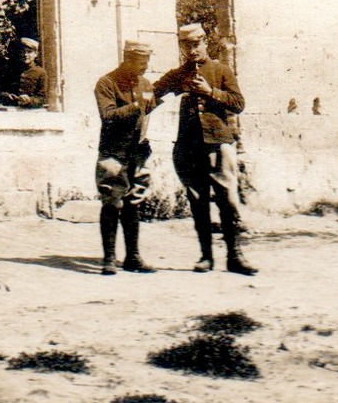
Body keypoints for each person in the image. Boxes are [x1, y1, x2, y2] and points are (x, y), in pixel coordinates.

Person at [153, 22, 257, 275]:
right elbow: (153, 94)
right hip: (189, 147)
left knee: (228, 201)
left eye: (196, 43)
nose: (192, 50)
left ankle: (235, 256)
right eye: (186, 45)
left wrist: (211, 92)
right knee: (198, 201)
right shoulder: (178, 74)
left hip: (218, 144)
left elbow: (238, 103)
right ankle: (206, 256)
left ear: (205, 42)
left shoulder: (221, 70)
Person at [94, 39, 160, 275]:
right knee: (112, 201)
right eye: (141, 63)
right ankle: (109, 259)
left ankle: (133, 257)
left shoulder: (145, 83)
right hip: (113, 152)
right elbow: (108, 115)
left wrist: (151, 102)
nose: (144, 67)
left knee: (134, 202)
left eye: (147, 63)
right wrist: (136, 105)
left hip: (138, 151)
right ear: (127, 58)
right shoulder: (107, 83)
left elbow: (147, 108)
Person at [0, 37, 47, 108]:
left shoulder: (41, 72)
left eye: (29, 52)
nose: (25, 55)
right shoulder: (11, 70)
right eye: (22, 51)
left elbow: (42, 99)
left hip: (31, 112)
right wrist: (7, 95)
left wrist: (29, 100)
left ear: (36, 54)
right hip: (11, 110)